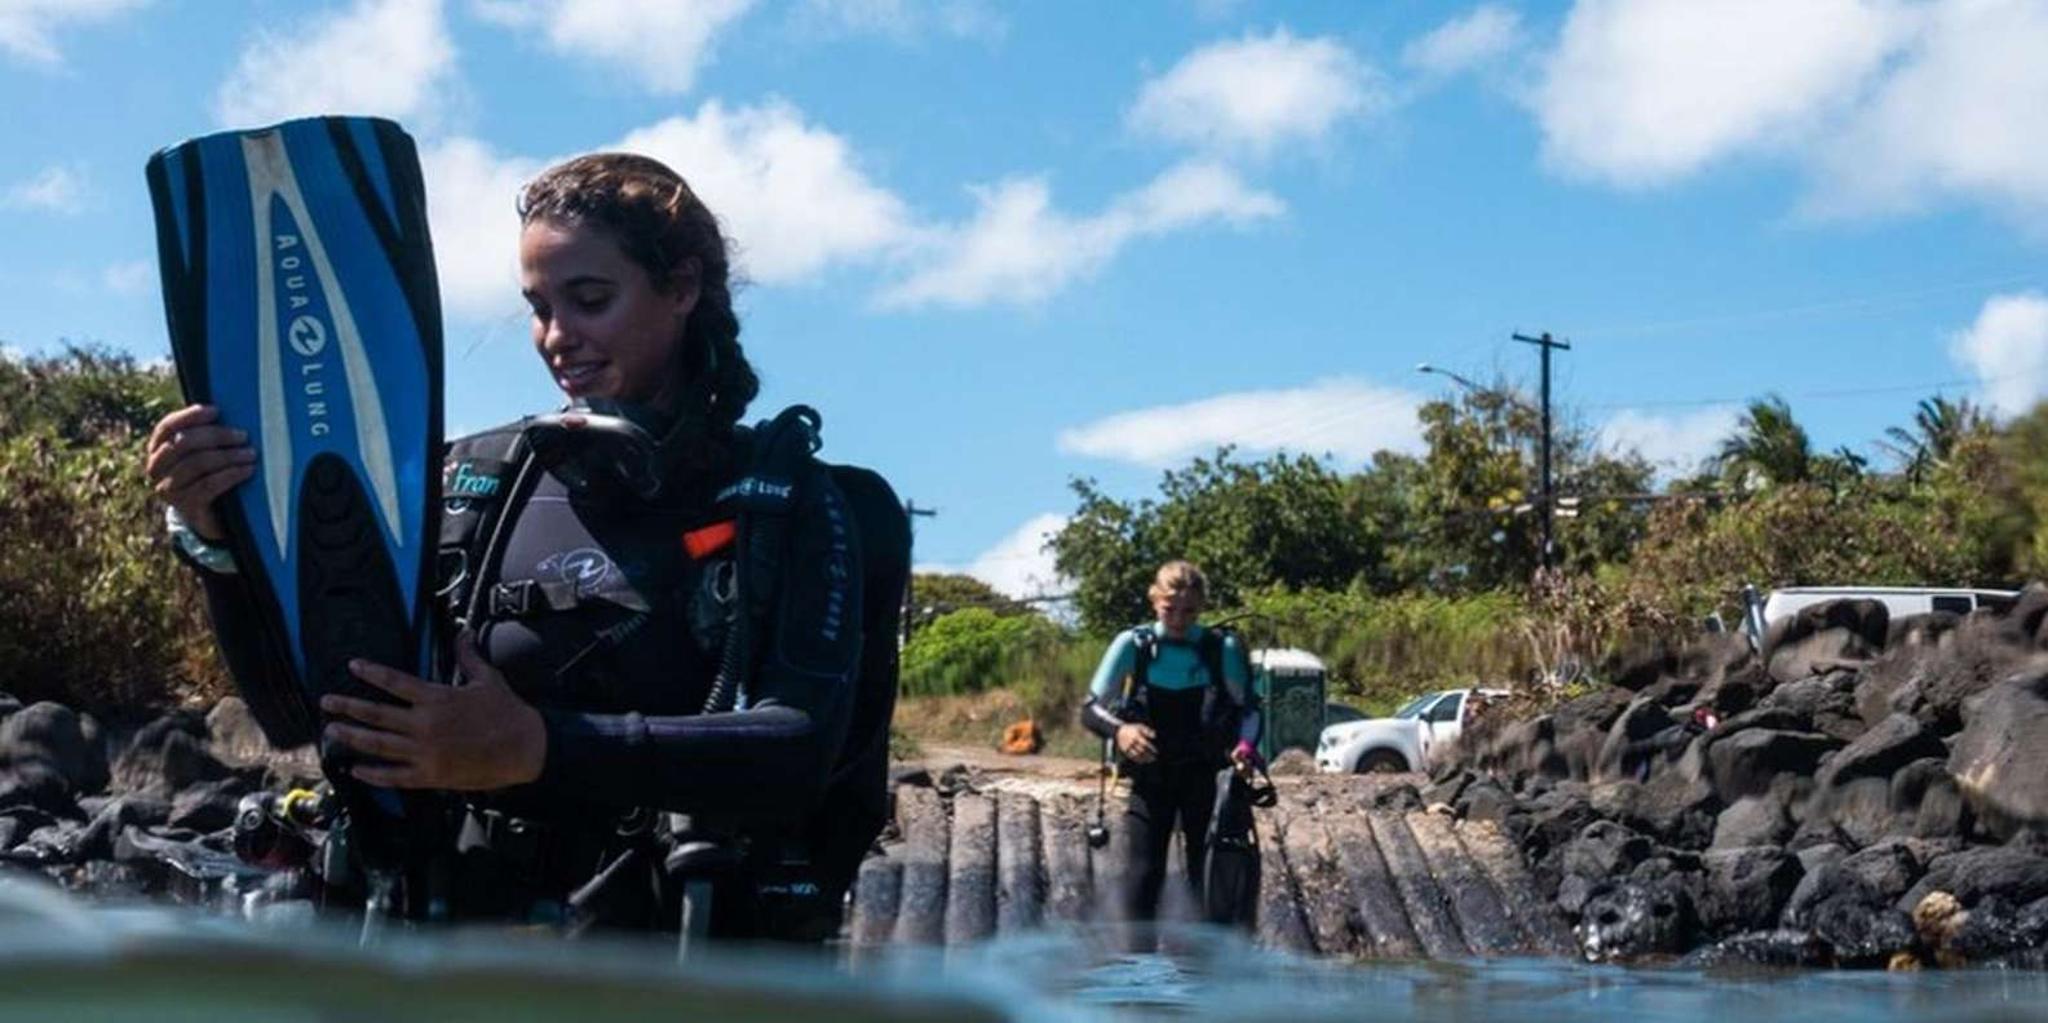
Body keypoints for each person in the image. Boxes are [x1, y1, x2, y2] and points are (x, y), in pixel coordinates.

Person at [141, 153, 907, 940]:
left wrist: (538, 745)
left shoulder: (792, 505)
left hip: (677, 967)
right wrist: (215, 536)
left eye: (589, 300)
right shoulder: (475, 482)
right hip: (456, 949)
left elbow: (798, 746)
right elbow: (304, 713)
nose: (555, 337)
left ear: (681, 288)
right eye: (538, 306)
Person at [1079, 560, 1260, 922]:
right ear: (1154, 601)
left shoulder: (1219, 648)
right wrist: (1121, 731)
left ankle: (1207, 970)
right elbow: (1090, 709)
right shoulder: (1133, 644)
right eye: (1170, 609)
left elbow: (1250, 711)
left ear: (1202, 607)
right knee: (1142, 881)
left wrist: (1246, 749)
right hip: (1150, 778)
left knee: (1207, 886)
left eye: (1189, 611)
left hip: (1205, 778)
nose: (1178, 619)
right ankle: (1138, 971)